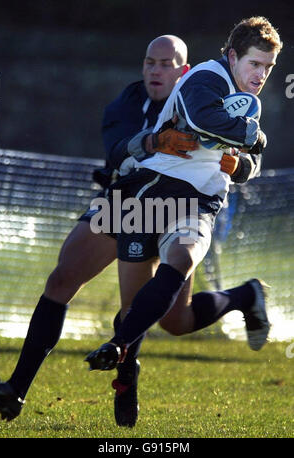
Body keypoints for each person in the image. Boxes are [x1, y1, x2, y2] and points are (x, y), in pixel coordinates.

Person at [0, 34, 202, 425]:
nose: (155, 70)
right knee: (60, 279)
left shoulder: (198, 104)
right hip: (121, 201)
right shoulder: (125, 103)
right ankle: (15, 390)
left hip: (168, 208)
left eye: (165, 63)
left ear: (183, 70)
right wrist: (154, 143)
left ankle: (126, 375)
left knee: (154, 316)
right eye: (149, 62)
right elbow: (119, 152)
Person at [84, 16, 283, 423]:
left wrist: (239, 164)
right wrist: (250, 137)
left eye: (268, 68)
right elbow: (200, 120)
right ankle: (129, 373)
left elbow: (252, 165)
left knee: (184, 256)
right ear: (232, 56)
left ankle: (118, 347)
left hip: (200, 201)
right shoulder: (206, 78)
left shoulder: (250, 102)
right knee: (172, 318)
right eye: (255, 64)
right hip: (151, 190)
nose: (260, 75)